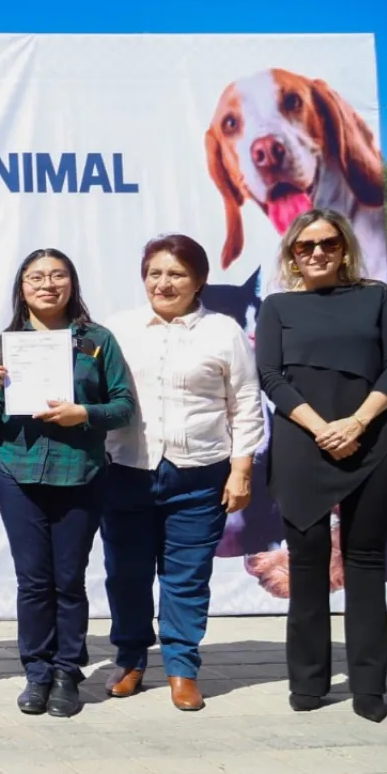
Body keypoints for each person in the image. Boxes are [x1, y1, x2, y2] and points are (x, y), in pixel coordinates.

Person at [254, 208, 387, 723]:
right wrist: (322, 428)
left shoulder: (377, 298)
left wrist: (357, 423)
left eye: (329, 243)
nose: (317, 252)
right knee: (307, 564)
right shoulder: (277, 306)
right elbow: (271, 377)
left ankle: (369, 687)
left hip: (373, 442)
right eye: (306, 245)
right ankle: (308, 682)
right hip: (303, 446)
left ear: (344, 249)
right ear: (292, 254)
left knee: (364, 563)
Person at [102, 234, 264, 711]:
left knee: (186, 577)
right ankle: (130, 660)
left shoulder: (224, 332)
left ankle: (182, 668)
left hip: (199, 476)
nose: (164, 283)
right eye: (155, 273)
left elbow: (246, 404)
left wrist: (241, 470)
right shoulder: (118, 330)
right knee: (126, 575)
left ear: (199, 281)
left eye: (176, 274)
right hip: (127, 470)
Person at [0, 248, 134, 718]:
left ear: (71, 283)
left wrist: (84, 413)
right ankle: (37, 673)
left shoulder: (97, 341)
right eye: (36, 277)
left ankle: (67, 673)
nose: (47, 284)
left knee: (68, 580)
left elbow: (124, 406)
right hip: (19, 473)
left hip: (79, 472)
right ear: (21, 289)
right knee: (33, 581)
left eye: (57, 275)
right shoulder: (4, 346)